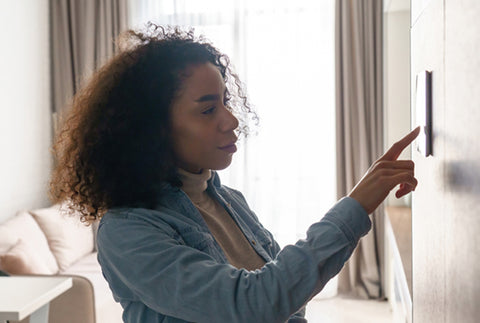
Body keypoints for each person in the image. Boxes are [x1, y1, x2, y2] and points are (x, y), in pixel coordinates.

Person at [50, 24, 419, 323]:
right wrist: (355, 207)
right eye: (208, 110)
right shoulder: (128, 230)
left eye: (225, 101)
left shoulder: (225, 198)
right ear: (153, 128)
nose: (232, 120)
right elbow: (254, 304)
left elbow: (287, 299)